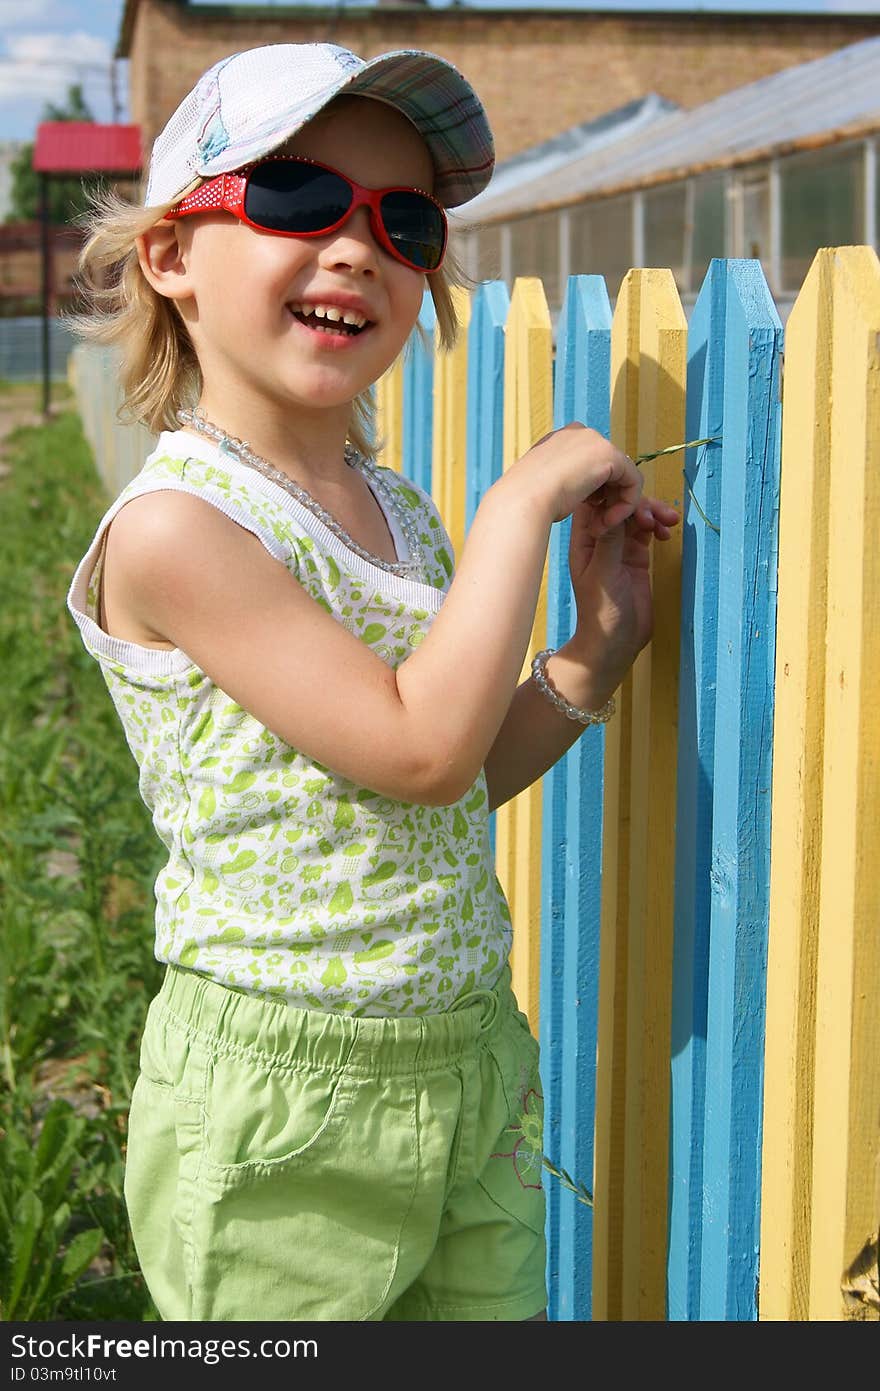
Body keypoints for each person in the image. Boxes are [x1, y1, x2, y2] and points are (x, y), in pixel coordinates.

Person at [67, 41, 679, 1323]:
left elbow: (439, 787)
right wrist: (518, 503)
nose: (356, 246)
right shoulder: (182, 528)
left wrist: (590, 652)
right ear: (172, 256)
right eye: (294, 196)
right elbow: (416, 749)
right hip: (288, 1105)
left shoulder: (391, 508)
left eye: (403, 223)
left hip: (465, 1063)